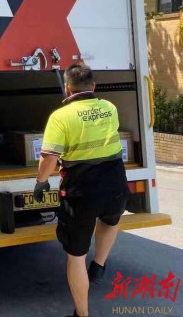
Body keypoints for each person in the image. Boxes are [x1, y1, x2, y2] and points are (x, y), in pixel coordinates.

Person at [34, 63, 129, 317]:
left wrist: (41, 182)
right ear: (94, 86)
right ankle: (99, 264)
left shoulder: (61, 116)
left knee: (76, 256)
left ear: (67, 88)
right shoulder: (109, 108)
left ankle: (82, 314)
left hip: (82, 191)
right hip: (116, 184)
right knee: (110, 220)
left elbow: (49, 158)